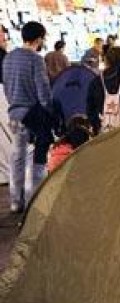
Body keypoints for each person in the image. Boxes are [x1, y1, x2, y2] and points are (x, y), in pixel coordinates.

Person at [2, 21, 53, 213]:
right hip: (32, 115)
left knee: (17, 158)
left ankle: (16, 202)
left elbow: (7, 88)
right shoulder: (36, 60)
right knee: (35, 160)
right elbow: (43, 92)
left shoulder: (8, 58)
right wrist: (49, 111)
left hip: (14, 114)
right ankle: (33, 202)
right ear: (39, 38)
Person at [87, 47, 120, 134]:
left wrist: (96, 126)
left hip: (102, 131)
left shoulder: (96, 82)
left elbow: (90, 108)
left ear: (107, 60)